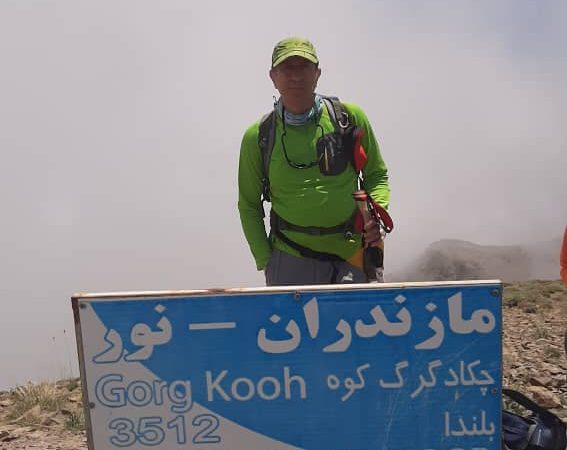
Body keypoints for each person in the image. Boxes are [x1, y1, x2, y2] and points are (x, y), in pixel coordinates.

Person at [238, 37, 390, 286]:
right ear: (273, 77)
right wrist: (266, 260)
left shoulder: (349, 118)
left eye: (304, 67)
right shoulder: (258, 136)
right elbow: (249, 205)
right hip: (290, 256)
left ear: (317, 73)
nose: (296, 76)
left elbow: (376, 175)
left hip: (353, 252)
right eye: (287, 68)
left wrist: (377, 215)